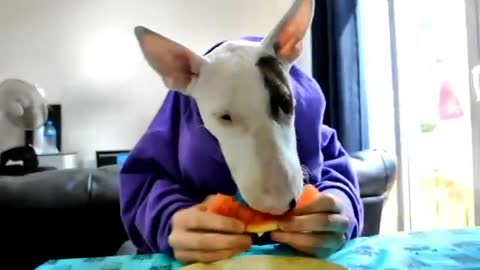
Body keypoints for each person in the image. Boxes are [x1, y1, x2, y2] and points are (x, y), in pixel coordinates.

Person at [119, 34, 364, 263]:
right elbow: (145, 178)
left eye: (285, 107)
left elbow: (333, 165)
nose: (276, 203)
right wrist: (168, 221)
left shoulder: (302, 107)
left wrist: (339, 213)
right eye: (226, 117)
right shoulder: (177, 121)